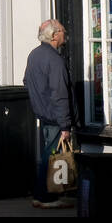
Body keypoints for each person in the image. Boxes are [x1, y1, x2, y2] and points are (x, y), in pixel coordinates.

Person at [25, 18, 78, 209]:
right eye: (63, 31)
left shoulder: (34, 55)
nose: (66, 34)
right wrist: (65, 125)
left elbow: (27, 82)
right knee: (52, 155)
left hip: (44, 114)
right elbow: (60, 94)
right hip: (55, 116)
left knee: (50, 154)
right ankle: (44, 196)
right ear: (54, 35)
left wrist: (39, 104)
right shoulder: (55, 59)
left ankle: (48, 194)